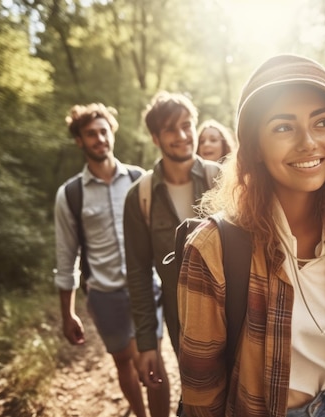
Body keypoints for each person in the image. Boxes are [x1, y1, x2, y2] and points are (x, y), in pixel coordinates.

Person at [177, 54, 325, 417]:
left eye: (322, 122)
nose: (308, 142)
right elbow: (202, 392)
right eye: (283, 127)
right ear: (255, 148)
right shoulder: (213, 249)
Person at [54, 103, 163, 417]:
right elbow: (66, 256)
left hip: (147, 289)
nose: (99, 138)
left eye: (104, 131)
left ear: (112, 134)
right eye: (91, 134)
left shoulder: (141, 179)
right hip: (104, 295)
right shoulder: (70, 194)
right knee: (124, 362)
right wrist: (67, 313)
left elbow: (161, 236)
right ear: (80, 141)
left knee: (151, 358)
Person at [123, 91, 221, 410]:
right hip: (181, 318)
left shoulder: (221, 180)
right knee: (201, 395)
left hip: (236, 308)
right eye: (170, 129)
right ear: (155, 137)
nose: (182, 135)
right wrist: (147, 343)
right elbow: (138, 274)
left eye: (187, 125)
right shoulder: (140, 196)